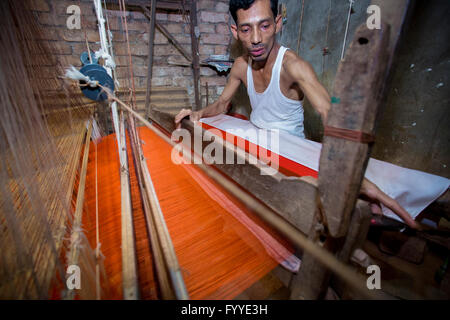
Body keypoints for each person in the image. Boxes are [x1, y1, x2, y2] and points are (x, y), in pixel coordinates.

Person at [174, 0, 420, 229]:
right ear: (235, 32)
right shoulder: (240, 66)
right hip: (257, 139)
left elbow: (328, 113)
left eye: (265, 25)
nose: (256, 38)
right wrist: (197, 113)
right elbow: (221, 104)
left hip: (291, 151)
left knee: (297, 195)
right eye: (246, 29)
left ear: (278, 23)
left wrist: (348, 173)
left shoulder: (293, 66)